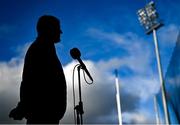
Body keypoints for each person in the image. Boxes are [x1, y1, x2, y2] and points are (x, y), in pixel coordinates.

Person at [9, 15, 67, 124]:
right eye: (57, 28)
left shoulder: (47, 48)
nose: (60, 31)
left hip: (49, 116)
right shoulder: (39, 48)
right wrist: (22, 107)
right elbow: (30, 82)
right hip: (42, 116)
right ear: (49, 28)